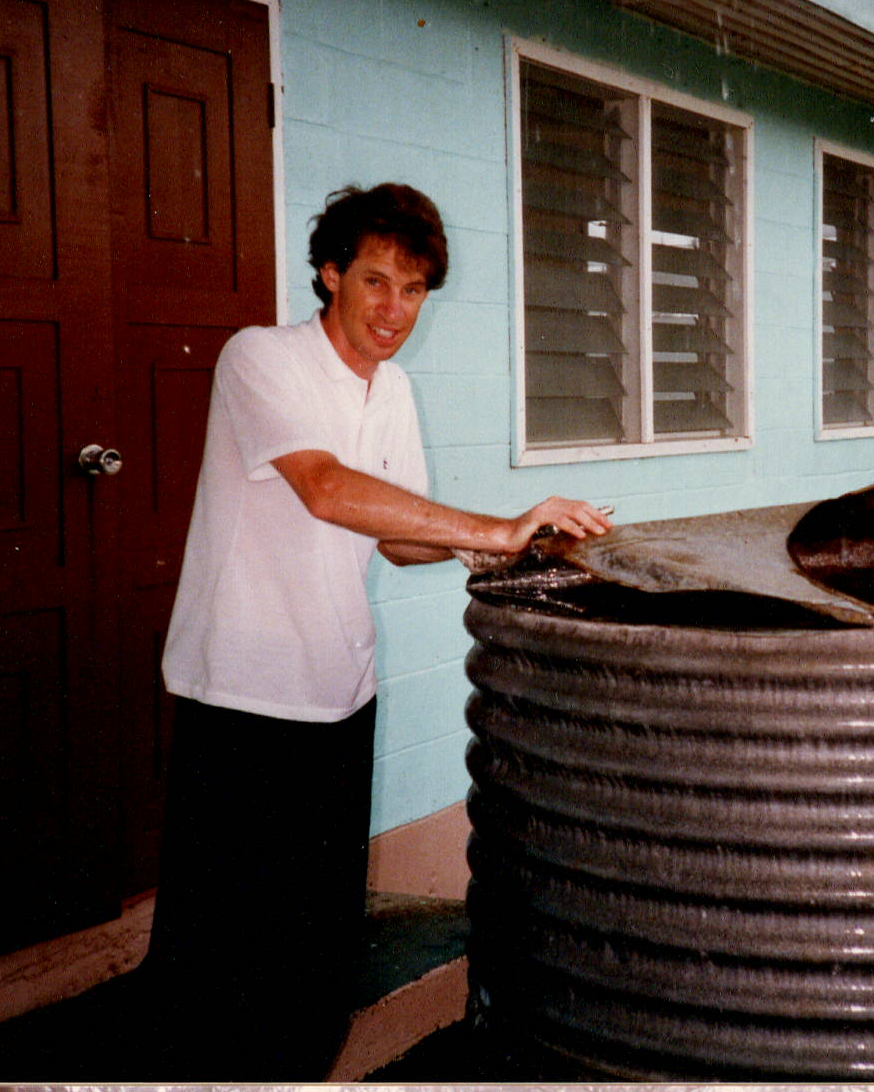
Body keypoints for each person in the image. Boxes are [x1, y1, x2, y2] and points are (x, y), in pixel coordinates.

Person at [145, 182, 611, 1077]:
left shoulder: (390, 387)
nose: (394, 310)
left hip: (337, 686)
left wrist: (512, 543)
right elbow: (324, 487)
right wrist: (494, 527)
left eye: (413, 289)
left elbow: (397, 540)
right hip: (241, 690)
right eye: (375, 282)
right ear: (329, 274)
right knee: (224, 950)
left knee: (316, 949)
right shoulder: (261, 359)